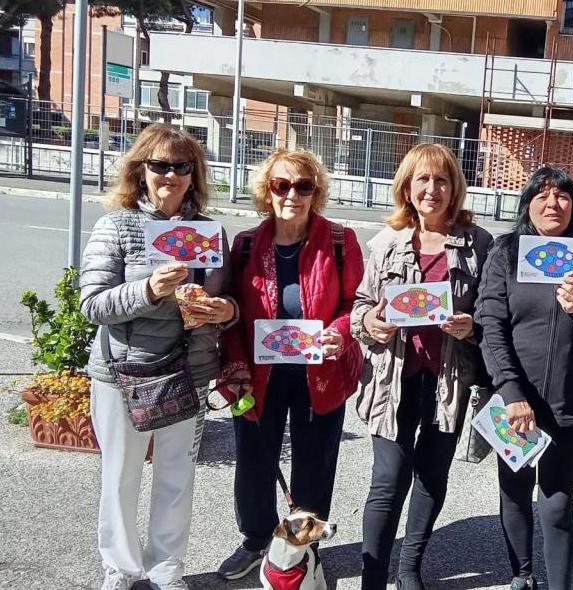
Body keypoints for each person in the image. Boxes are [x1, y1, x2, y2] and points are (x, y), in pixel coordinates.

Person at [80, 124, 235, 590]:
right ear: (140, 170)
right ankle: (121, 568)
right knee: (121, 476)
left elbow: (227, 299)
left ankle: (167, 569)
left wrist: (224, 311)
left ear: (194, 174)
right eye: (159, 165)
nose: (170, 175)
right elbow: (93, 305)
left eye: (181, 166)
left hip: (189, 371)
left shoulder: (209, 232)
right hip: (123, 373)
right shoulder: (117, 225)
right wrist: (148, 289)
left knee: (177, 477)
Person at [474, 166, 573, 590]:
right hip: (515, 400)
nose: (552, 203)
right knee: (514, 492)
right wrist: (510, 391)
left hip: (570, 401)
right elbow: (490, 324)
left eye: (562, 196)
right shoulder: (506, 252)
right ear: (527, 205)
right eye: (541, 195)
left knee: (557, 504)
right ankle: (522, 574)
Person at [216, 149, 365, 580]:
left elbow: (355, 302)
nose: (292, 195)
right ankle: (256, 539)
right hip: (258, 374)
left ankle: (306, 548)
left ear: (316, 193)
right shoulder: (246, 245)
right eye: (281, 185)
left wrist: (340, 331)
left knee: (315, 462)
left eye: (304, 186)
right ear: (267, 191)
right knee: (255, 460)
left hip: (320, 371)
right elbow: (232, 315)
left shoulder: (339, 241)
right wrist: (236, 367)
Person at [350, 143, 493, 590]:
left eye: (441, 180)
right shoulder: (387, 241)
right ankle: (373, 576)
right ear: (407, 187)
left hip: (448, 380)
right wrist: (370, 322)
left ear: (455, 187)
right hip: (392, 379)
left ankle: (409, 568)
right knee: (388, 479)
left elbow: (493, 313)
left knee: (431, 476)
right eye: (423, 180)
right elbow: (360, 305)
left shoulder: (478, 243)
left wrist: (471, 326)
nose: (432, 189)